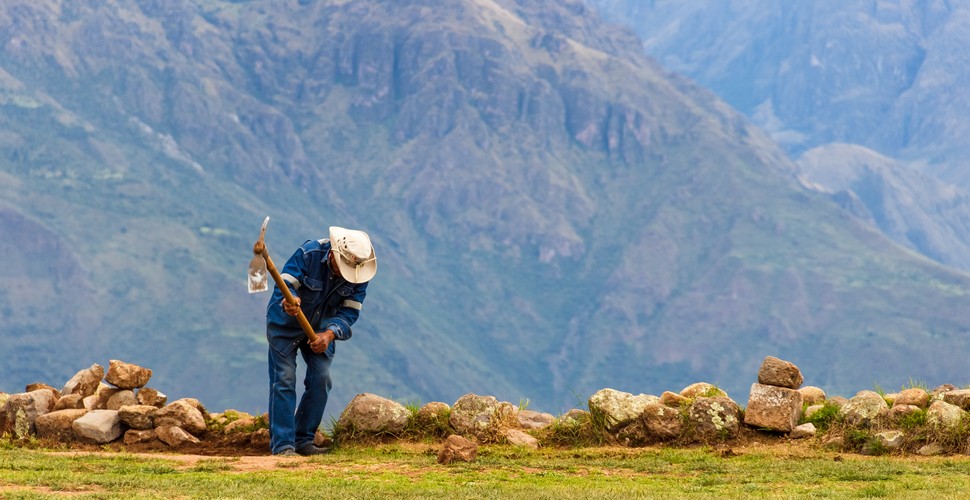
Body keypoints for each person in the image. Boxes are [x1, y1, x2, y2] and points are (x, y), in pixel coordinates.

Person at [265, 225, 377, 456]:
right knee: (284, 379)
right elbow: (284, 286)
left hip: (321, 330)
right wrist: (290, 300)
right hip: (284, 326)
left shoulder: (360, 272)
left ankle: (303, 440)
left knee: (321, 379)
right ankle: (283, 446)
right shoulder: (309, 254)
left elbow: (350, 313)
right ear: (334, 255)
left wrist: (329, 334)